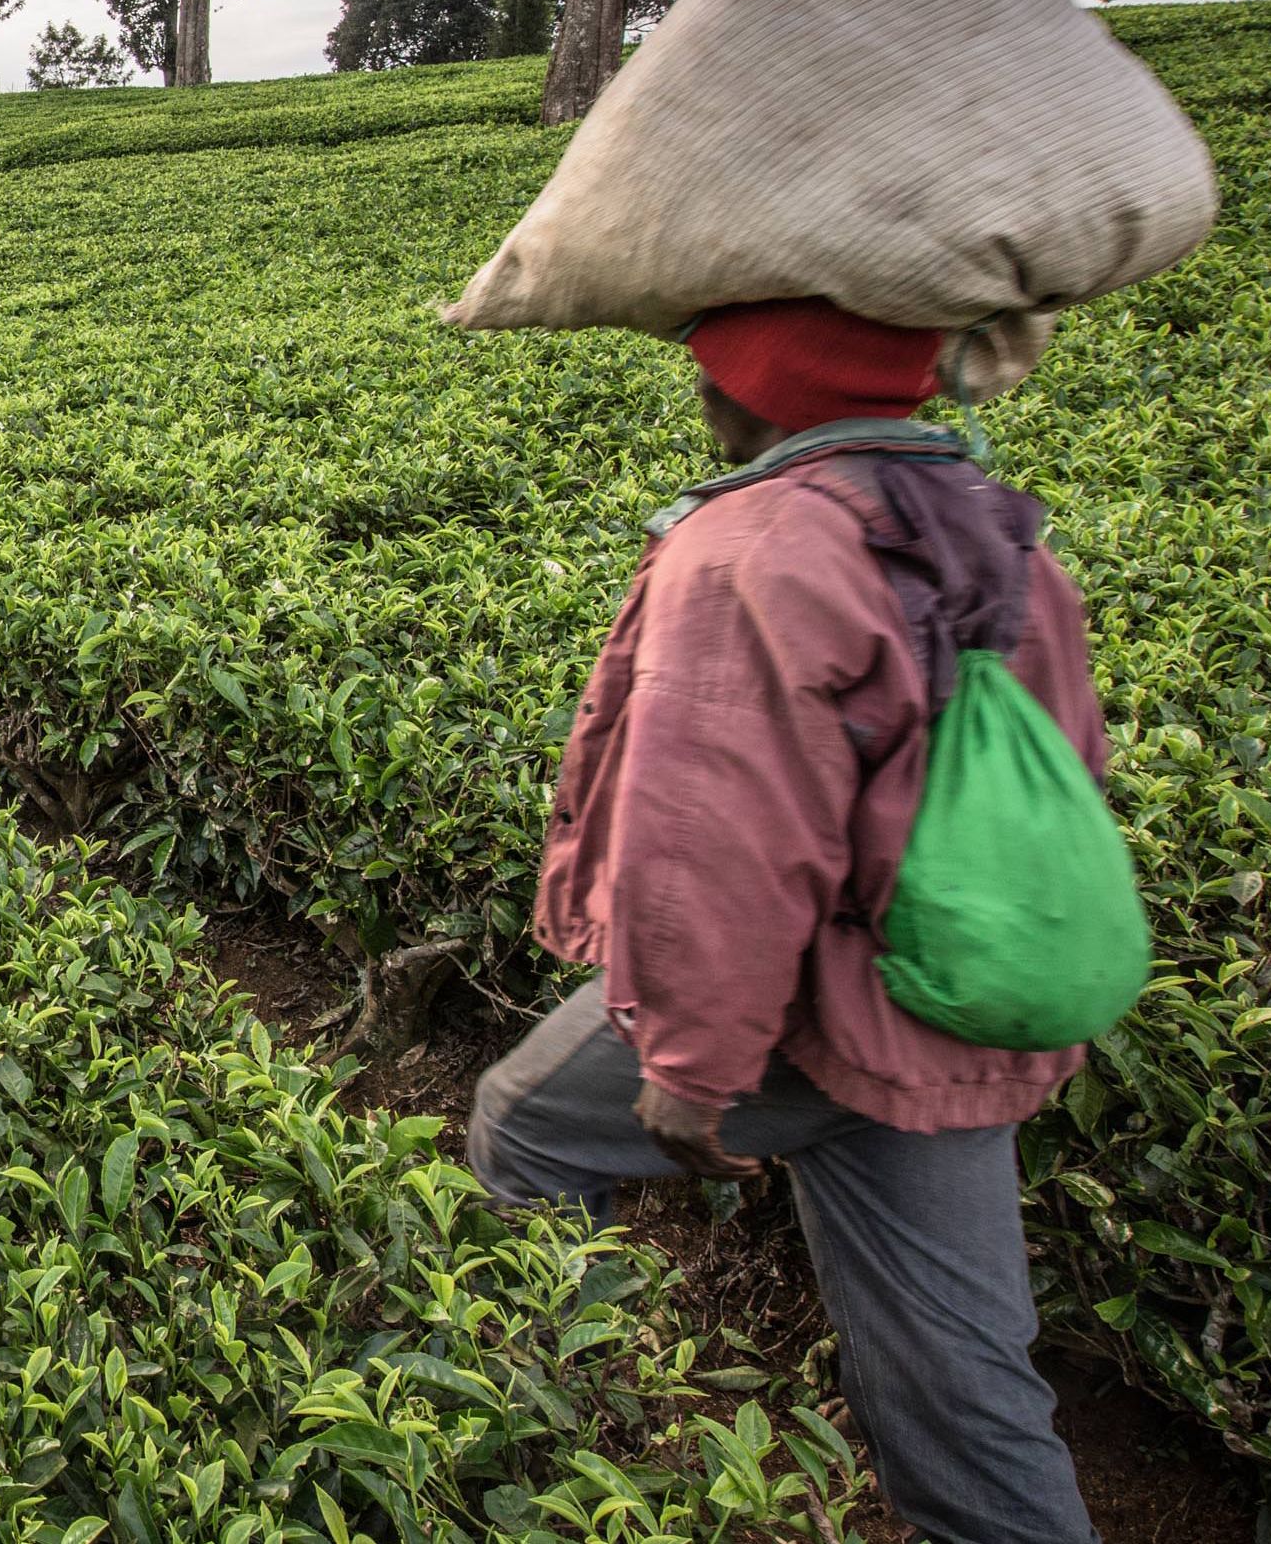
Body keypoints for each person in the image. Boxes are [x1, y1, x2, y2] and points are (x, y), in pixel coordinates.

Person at [468, 296, 1105, 1544]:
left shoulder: (750, 549)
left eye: (708, 365)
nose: (698, 389)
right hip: (957, 1008)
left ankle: (571, 1460)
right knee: (964, 1390)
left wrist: (691, 1065)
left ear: (748, 389)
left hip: (804, 1011)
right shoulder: (1003, 533)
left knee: (525, 1134)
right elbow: (1065, 774)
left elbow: (717, 843)